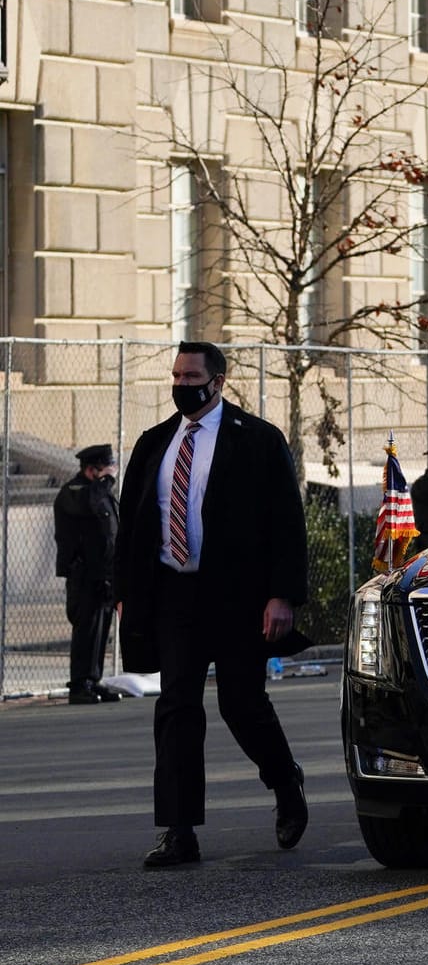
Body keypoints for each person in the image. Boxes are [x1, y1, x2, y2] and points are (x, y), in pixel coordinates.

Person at [114, 341, 310, 868]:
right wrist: (125, 595)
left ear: (218, 381)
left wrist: (282, 595)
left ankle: (284, 780)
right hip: (174, 593)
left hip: (239, 597)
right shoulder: (155, 443)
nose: (182, 384)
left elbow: (286, 524)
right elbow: (132, 525)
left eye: (192, 375)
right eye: (176, 375)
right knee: (177, 707)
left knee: (240, 704)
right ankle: (180, 831)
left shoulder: (258, 441)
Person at [54, 444, 121, 705]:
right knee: (86, 630)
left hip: (103, 573)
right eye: (105, 470)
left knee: (101, 629)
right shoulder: (75, 491)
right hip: (84, 574)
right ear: (91, 470)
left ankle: (93, 679)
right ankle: (79, 684)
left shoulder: (100, 492)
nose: (110, 476)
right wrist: (103, 483)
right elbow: (87, 505)